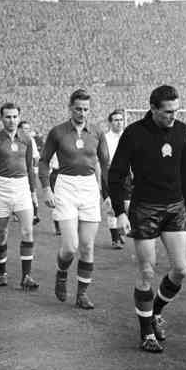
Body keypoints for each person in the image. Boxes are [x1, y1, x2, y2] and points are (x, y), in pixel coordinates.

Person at [108, 87, 186, 353]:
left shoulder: (181, 130)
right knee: (147, 271)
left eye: (176, 111)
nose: (173, 116)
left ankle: (155, 310)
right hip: (144, 208)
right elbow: (116, 174)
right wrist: (120, 212)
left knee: (181, 269)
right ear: (153, 108)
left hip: (176, 207)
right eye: (168, 112)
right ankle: (147, 333)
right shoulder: (134, 133)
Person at [39, 89, 111, 310]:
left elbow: (106, 165)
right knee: (70, 246)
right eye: (78, 109)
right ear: (70, 108)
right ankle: (61, 274)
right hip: (66, 186)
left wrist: (108, 195)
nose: (82, 113)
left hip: (89, 186)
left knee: (88, 246)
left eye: (86, 109)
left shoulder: (97, 132)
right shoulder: (58, 132)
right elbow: (43, 162)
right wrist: (46, 189)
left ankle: (82, 294)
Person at [0, 103, 39, 286]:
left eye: (15, 116)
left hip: (21, 186)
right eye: (8, 117)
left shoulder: (27, 139)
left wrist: (33, 191)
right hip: (1, 186)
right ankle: (1, 273)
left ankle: (26, 277)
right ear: (1, 119)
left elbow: (30, 167)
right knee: (1, 233)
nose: (12, 120)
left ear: (19, 117)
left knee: (28, 231)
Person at [103, 108, 130, 249]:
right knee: (111, 207)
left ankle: (121, 228)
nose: (119, 123)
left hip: (126, 176)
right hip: (109, 174)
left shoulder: (128, 136)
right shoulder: (105, 138)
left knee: (127, 206)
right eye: (116, 120)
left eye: (121, 120)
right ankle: (115, 239)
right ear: (110, 122)